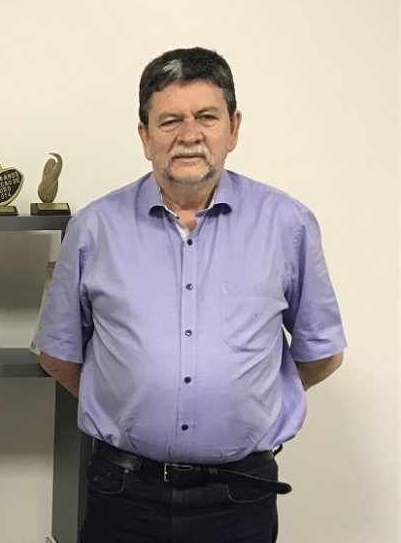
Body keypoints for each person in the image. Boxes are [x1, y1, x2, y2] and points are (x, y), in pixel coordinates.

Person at [32, 47, 345, 543]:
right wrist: (124, 398)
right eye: (170, 120)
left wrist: (251, 398)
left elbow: (322, 353)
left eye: (206, 117)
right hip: (123, 492)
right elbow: (58, 355)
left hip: (239, 495)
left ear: (233, 128)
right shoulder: (93, 228)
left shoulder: (288, 225)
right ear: (145, 136)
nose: (189, 134)